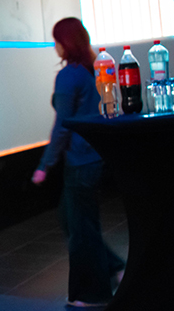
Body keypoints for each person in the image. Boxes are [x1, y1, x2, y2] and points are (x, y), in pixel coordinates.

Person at [31, 17, 125, 308]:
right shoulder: (94, 69)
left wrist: (44, 165)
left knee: (81, 231)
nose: (55, 46)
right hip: (97, 157)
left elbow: (62, 126)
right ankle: (114, 267)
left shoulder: (68, 76)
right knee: (72, 219)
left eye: (57, 40)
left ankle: (91, 294)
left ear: (66, 43)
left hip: (80, 162)